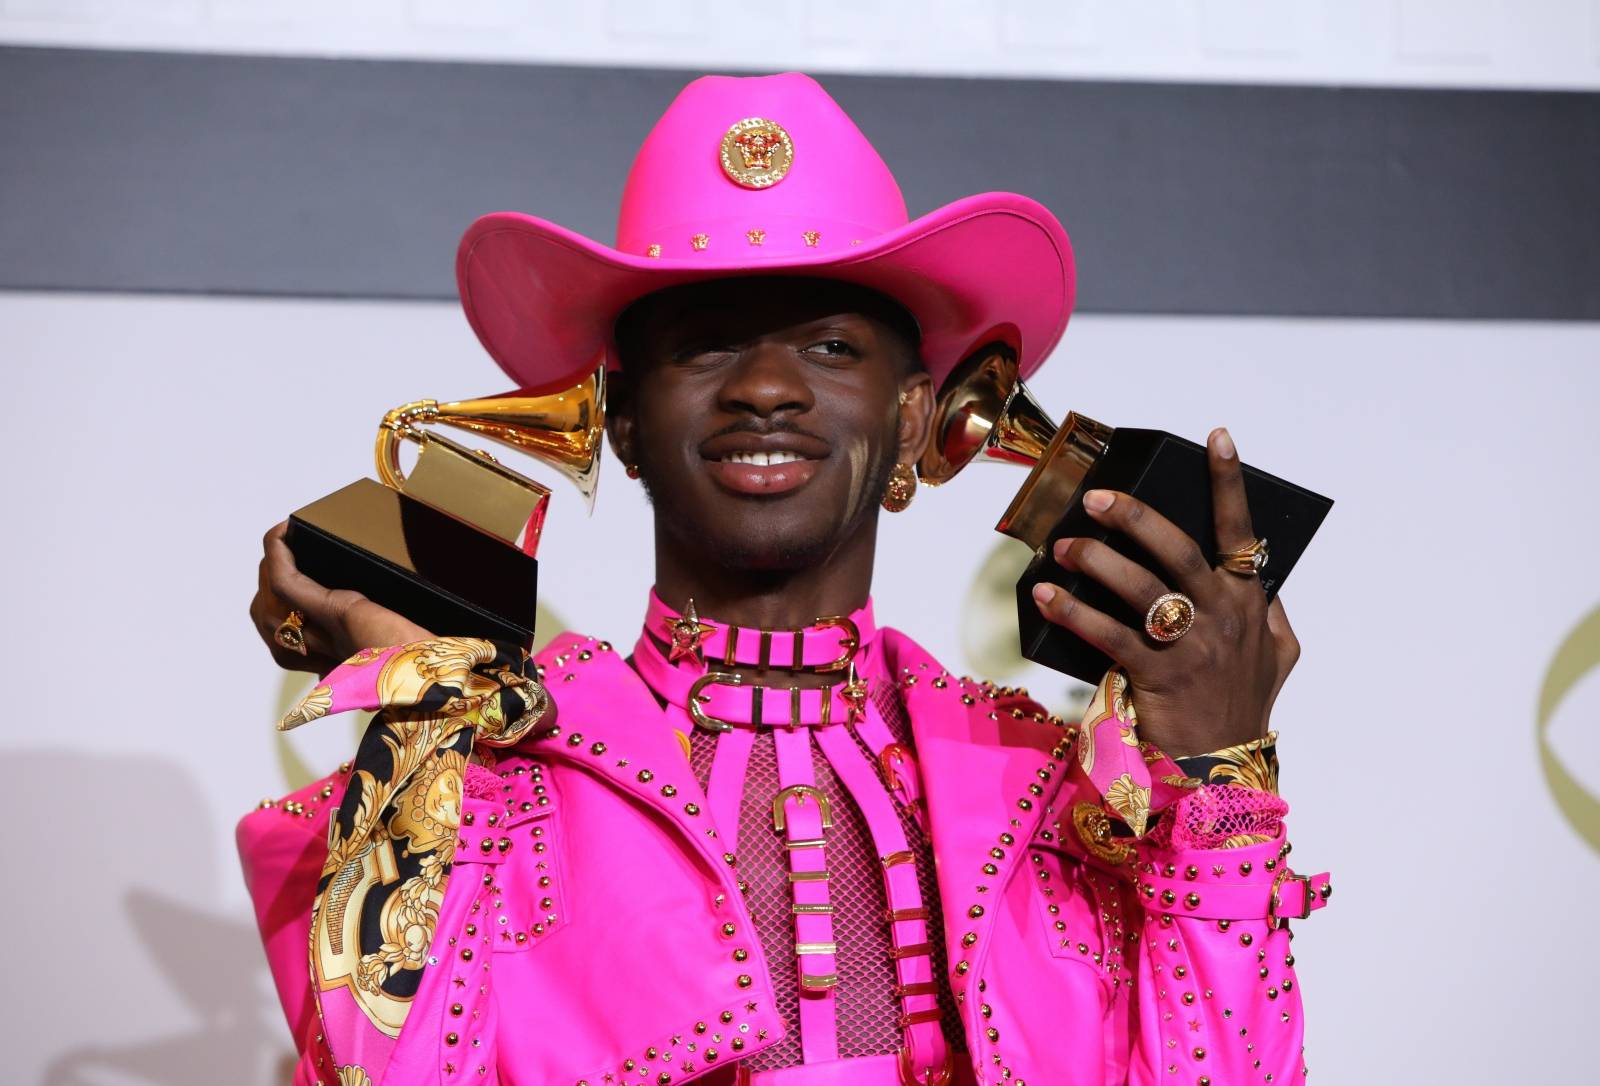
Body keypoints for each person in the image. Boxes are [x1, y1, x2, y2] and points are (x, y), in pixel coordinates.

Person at [241, 73, 1330, 1086]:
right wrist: (417, 717)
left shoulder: (1046, 790)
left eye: (828, 347)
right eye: (707, 347)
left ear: (913, 412)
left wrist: (1216, 771)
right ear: (620, 421)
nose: (765, 387)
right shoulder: (500, 782)